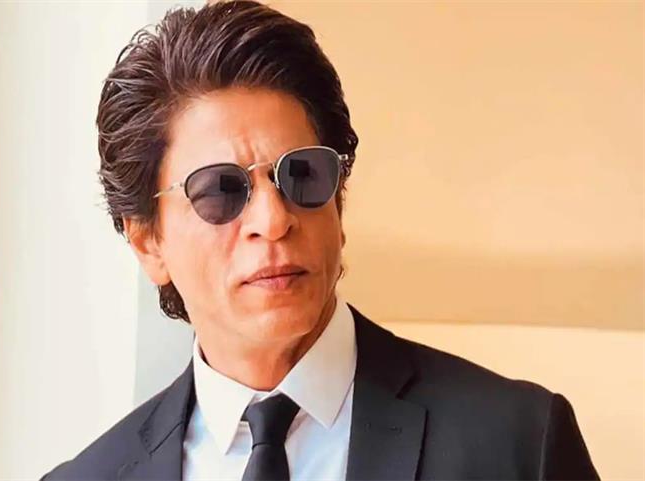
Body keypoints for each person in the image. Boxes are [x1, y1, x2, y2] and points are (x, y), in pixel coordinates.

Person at [42, 1, 599, 480]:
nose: (273, 219)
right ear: (148, 242)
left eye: (302, 174)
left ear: (340, 200)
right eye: (221, 190)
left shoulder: (517, 445)